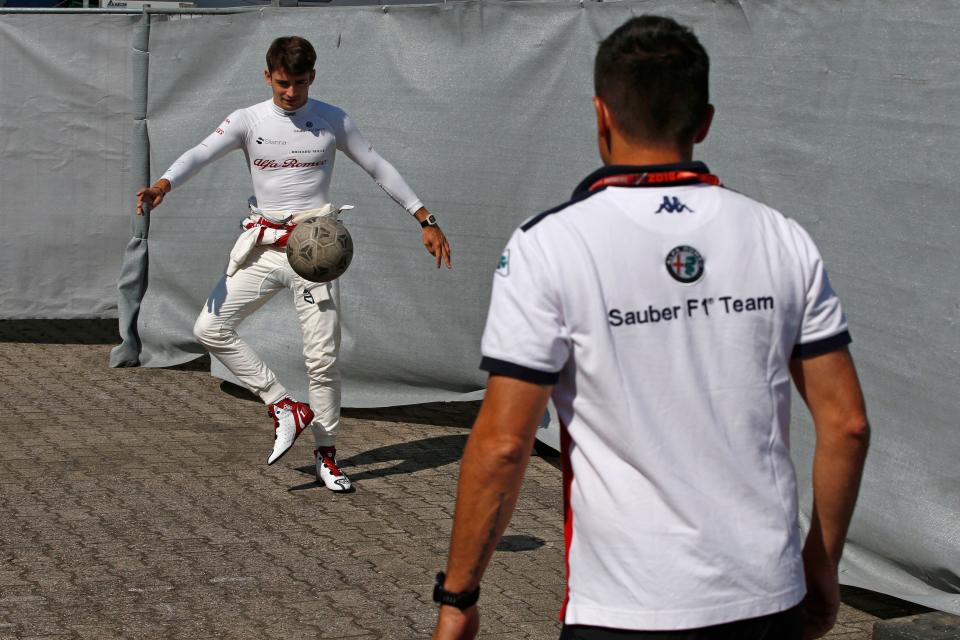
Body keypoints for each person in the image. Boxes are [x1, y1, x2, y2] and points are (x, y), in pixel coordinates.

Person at [432, 15, 869, 640]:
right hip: (767, 600)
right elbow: (847, 425)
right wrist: (821, 573)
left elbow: (504, 444)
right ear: (705, 120)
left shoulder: (549, 245)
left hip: (624, 607)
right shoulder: (780, 236)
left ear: (601, 114)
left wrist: (458, 594)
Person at [135, 36, 451, 492]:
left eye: (299, 83)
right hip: (264, 247)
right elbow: (201, 152)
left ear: (312, 78)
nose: (290, 92)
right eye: (283, 83)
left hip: (317, 254)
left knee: (322, 362)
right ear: (268, 77)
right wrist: (164, 183)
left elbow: (377, 166)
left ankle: (327, 456)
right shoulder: (249, 120)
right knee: (209, 328)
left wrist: (425, 218)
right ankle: (283, 405)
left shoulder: (331, 119)